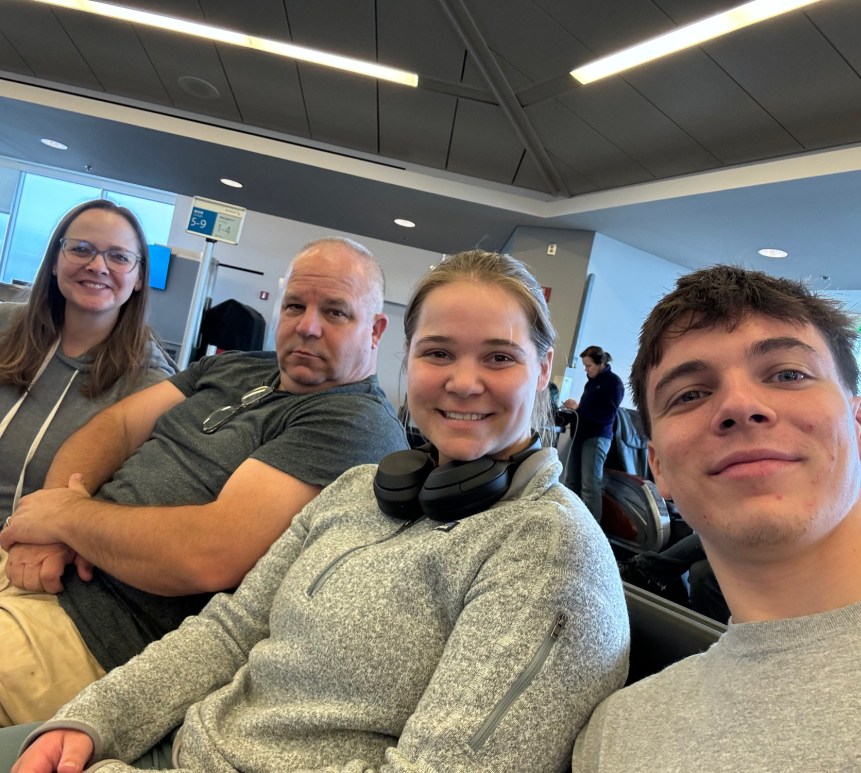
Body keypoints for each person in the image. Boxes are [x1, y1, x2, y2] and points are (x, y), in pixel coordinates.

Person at [0, 249, 629, 773]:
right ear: (407, 362)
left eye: (498, 356)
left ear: (544, 368)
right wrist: (97, 720)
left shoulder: (547, 550)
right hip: (171, 746)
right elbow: (228, 632)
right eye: (438, 353)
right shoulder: (361, 489)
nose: (463, 382)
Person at [0, 237, 407, 726]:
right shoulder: (236, 366)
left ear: (376, 329)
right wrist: (43, 531)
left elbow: (208, 554)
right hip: (38, 565)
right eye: (295, 305)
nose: (308, 327)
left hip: (95, 636)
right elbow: (117, 427)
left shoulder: (353, 421)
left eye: (336, 313)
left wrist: (65, 519)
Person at [573, 265, 861, 771]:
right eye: (689, 394)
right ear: (658, 468)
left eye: (787, 374)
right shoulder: (618, 736)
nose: (738, 406)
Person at [0, 199, 176, 518]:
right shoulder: (4, 326)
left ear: (139, 278)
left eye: (119, 257)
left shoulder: (150, 386)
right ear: (55, 261)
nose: (97, 266)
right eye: (81, 249)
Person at [563, 346, 624, 520]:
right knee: (571, 481)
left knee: (590, 486)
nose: (586, 370)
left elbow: (605, 416)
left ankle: (591, 532)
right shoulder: (591, 382)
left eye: (588, 366)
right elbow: (587, 410)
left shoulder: (613, 383)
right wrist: (573, 411)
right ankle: (569, 521)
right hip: (581, 435)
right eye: (584, 366)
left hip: (597, 437)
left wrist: (579, 409)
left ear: (601, 363)